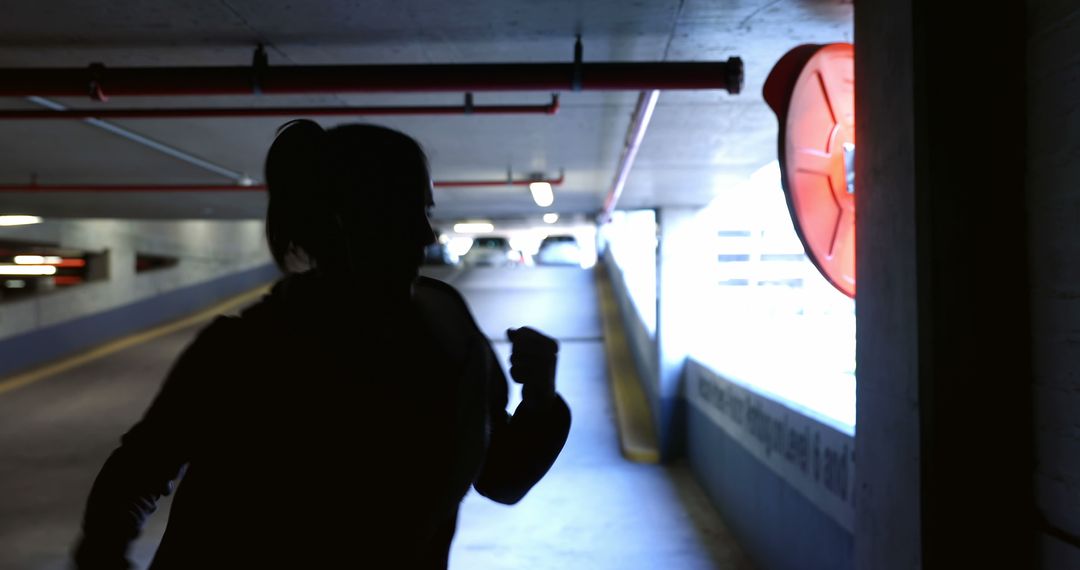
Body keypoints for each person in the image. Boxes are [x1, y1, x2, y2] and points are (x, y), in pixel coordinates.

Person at [72, 120, 572, 569]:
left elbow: (502, 477)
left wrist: (541, 398)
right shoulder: (250, 350)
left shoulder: (447, 337)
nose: (425, 232)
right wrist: (104, 553)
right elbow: (138, 473)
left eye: (425, 210)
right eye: (406, 213)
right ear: (343, 223)